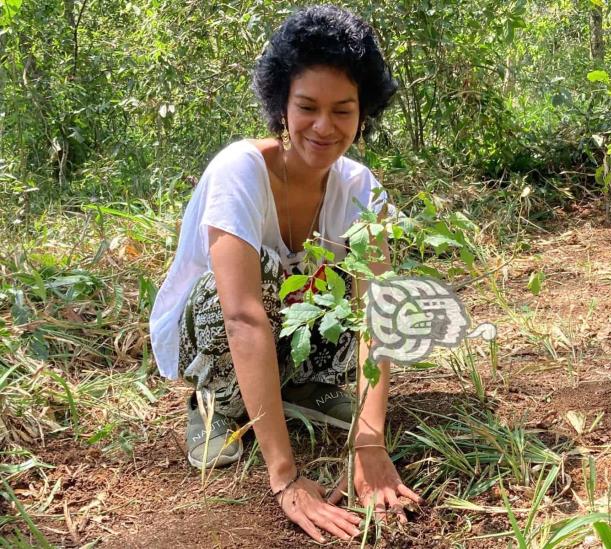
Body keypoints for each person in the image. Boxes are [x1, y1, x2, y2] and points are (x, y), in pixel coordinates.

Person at [149, 5, 422, 543]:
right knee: (267, 273)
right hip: (214, 338)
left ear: (363, 112)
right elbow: (241, 316)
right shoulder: (240, 171)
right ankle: (215, 407)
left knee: (344, 276)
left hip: (288, 338)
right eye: (307, 107)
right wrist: (286, 478)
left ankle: (300, 384)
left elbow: (378, 314)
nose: (324, 127)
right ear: (281, 106)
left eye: (343, 110)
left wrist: (370, 441)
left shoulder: (362, 189)